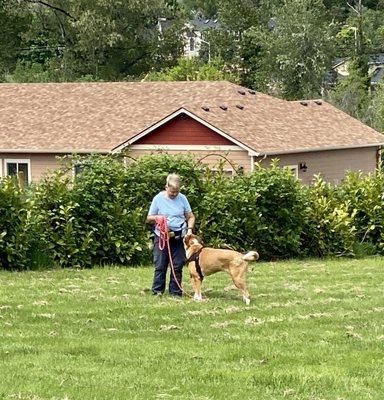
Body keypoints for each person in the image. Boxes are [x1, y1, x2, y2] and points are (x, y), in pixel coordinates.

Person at [146, 173, 195, 297]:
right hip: (162, 237)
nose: (174, 194)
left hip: (178, 237)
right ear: (166, 187)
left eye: (176, 192)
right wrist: (158, 218)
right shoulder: (158, 199)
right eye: (172, 191)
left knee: (177, 265)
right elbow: (149, 218)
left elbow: (190, 216)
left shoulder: (183, 198)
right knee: (160, 265)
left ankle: (176, 292)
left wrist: (189, 229)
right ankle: (157, 291)